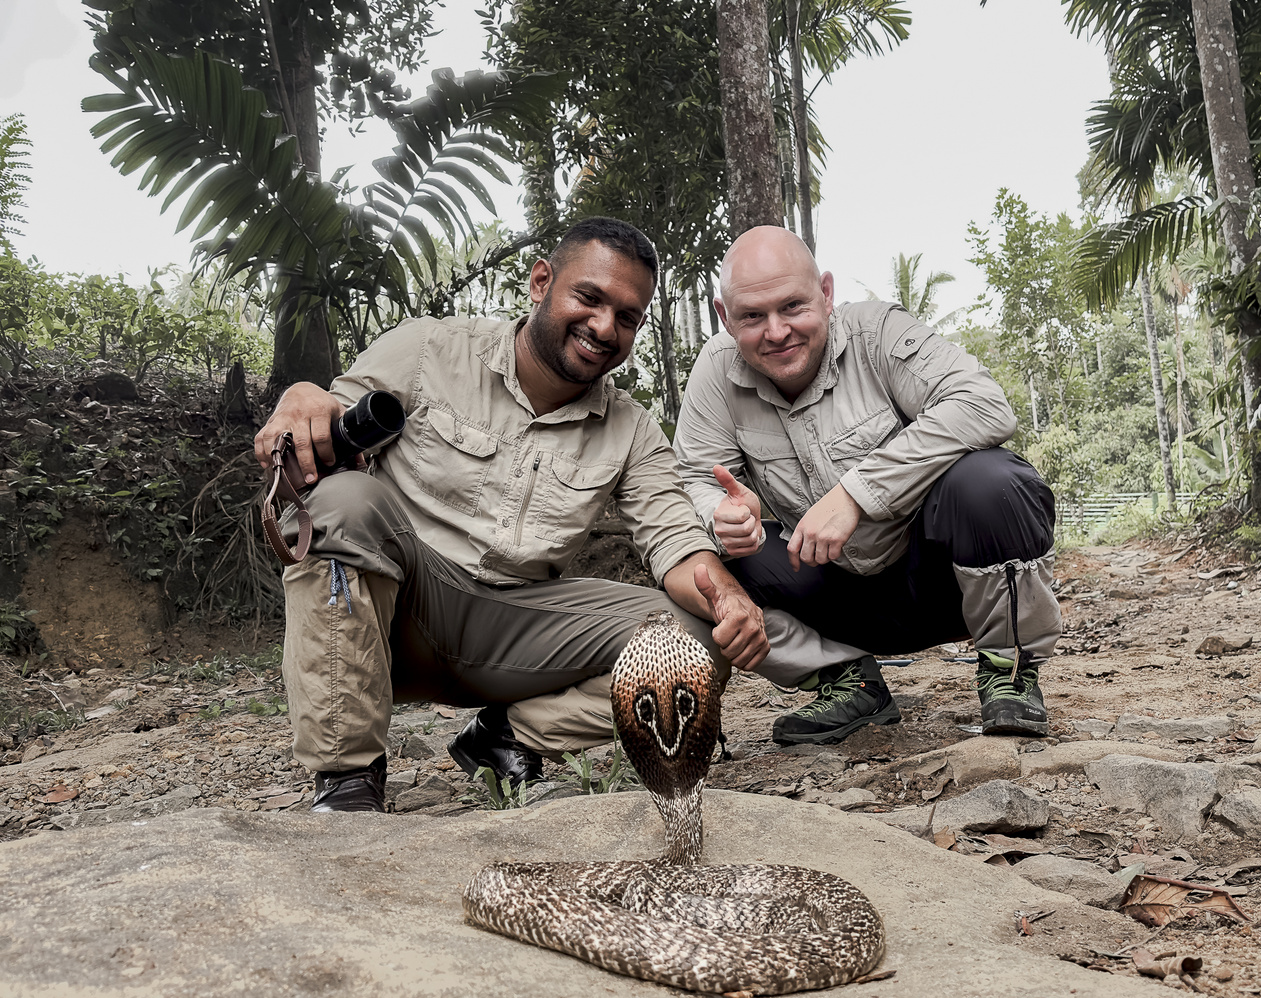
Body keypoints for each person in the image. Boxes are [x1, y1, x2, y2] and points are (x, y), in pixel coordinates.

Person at [254, 217, 857, 812]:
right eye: (589, 298)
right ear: (542, 282)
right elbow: (327, 411)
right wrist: (300, 397)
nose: (603, 327)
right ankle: (347, 783)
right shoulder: (429, 349)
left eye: (627, 317)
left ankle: (510, 737)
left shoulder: (632, 428)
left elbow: (675, 539)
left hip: (516, 631)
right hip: (395, 613)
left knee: (695, 638)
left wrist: (730, 602)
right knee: (341, 501)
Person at [673, 226, 1061, 745]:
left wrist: (856, 493)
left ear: (826, 293)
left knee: (992, 481)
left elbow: (983, 403)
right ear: (725, 317)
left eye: (793, 306)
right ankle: (846, 682)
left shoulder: (878, 331)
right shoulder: (715, 373)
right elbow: (695, 479)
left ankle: (1008, 671)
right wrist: (719, 513)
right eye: (752, 317)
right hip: (831, 600)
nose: (776, 331)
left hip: (945, 584)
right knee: (697, 564)